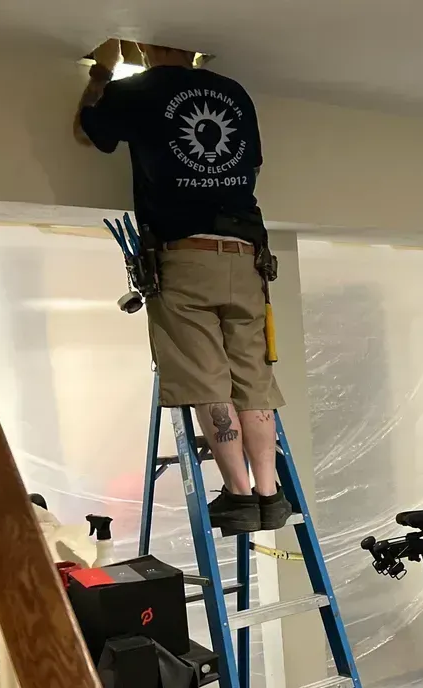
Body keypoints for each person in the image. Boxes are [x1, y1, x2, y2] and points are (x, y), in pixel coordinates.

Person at [74, 39, 289, 535]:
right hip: (247, 256)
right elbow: (254, 165)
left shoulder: (138, 88)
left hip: (186, 256)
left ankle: (237, 494)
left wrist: (101, 74)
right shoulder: (233, 93)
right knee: (253, 384)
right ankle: (269, 494)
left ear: (144, 49)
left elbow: (89, 132)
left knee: (206, 381)